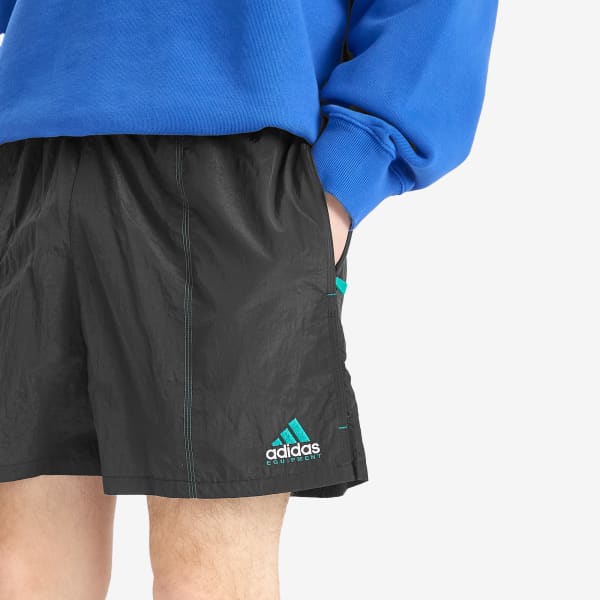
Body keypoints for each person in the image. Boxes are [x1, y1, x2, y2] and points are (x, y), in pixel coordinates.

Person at [0, 1, 498, 598]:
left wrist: (350, 173)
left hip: (238, 155)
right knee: (24, 570)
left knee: (208, 571)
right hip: (31, 142)